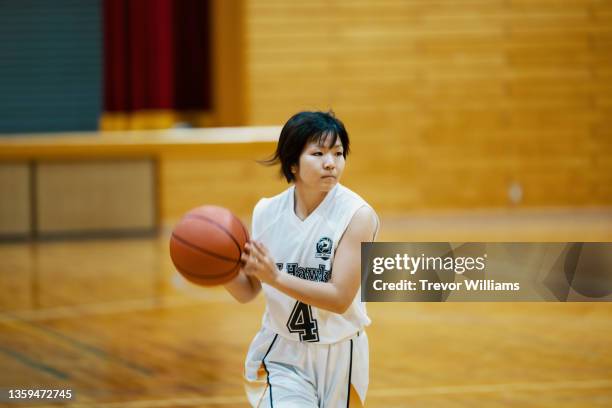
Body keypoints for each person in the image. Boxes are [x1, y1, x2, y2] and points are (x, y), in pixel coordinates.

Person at [224, 111, 379, 407]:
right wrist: (221, 271)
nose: (331, 162)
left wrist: (277, 277)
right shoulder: (266, 213)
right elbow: (249, 291)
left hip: (341, 354)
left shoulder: (357, 216)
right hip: (281, 351)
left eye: (338, 153)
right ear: (292, 163)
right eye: (318, 153)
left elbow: (339, 298)